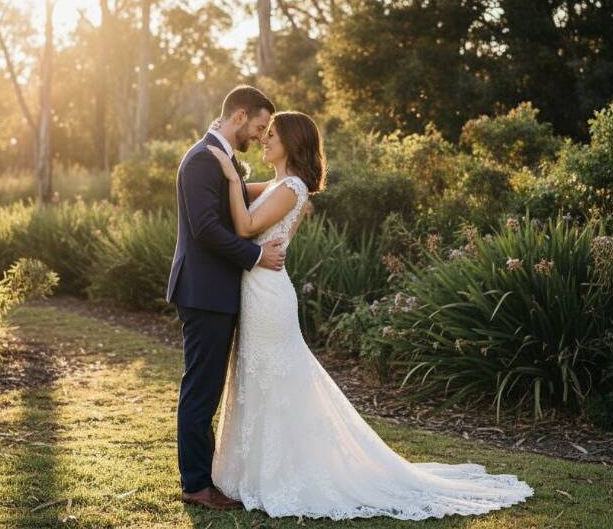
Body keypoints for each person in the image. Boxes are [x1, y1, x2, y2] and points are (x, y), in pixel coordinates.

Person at [203, 110, 535, 520]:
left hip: (269, 296)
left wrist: (233, 179)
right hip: (254, 292)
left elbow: (245, 224)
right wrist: (220, 156)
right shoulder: (274, 184)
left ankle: (290, 471)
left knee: (276, 379)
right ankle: (253, 468)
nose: (264, 139)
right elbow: (226, 196)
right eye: (264, 133)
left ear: (292, 141)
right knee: (256, 379)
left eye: (272, 135)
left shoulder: (292, 188)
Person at [166, 85, 287, 510]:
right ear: (239, 117)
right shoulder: (203, 159)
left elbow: (234, 203)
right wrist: (256, 255)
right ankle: (196, 484)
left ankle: (202, 478)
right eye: (257, 126)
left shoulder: (222, 159)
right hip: (204, 293)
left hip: (215, 292)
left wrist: (285, 187)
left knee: (208, 387)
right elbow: (205, 229)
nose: (258, 136)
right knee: (201, 389)